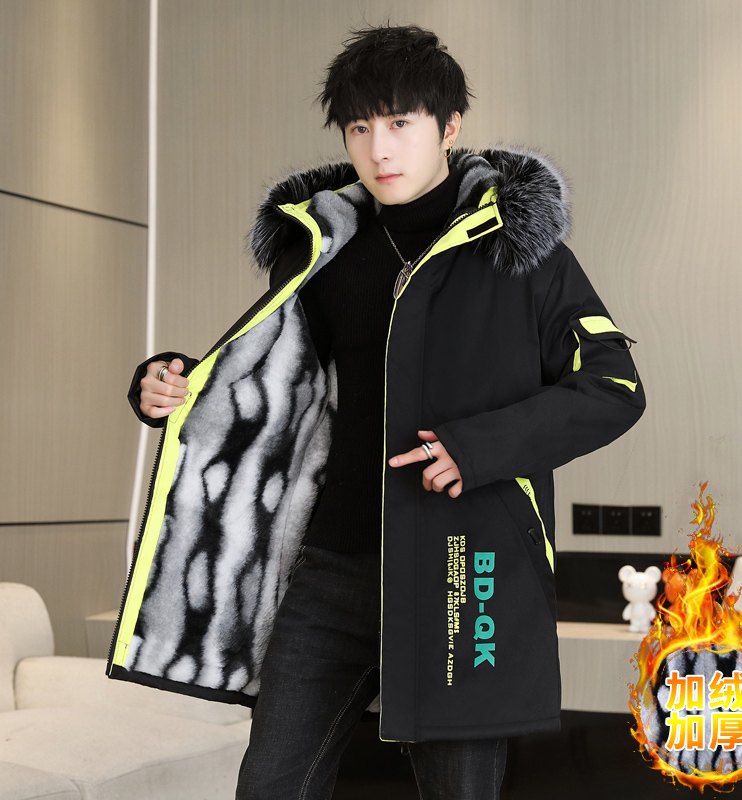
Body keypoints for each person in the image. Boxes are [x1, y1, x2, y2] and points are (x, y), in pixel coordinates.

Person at [108, 24, 646, 799]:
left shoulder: (522, 254)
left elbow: (614, 385)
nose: (379, 148)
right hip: (332, 572)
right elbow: (270, 381)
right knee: (271, 785)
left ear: (449, 127)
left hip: (461, 570)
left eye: (399, 123)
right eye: (360, 128)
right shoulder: (324, 248)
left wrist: (478, 447)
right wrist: (169, 384)